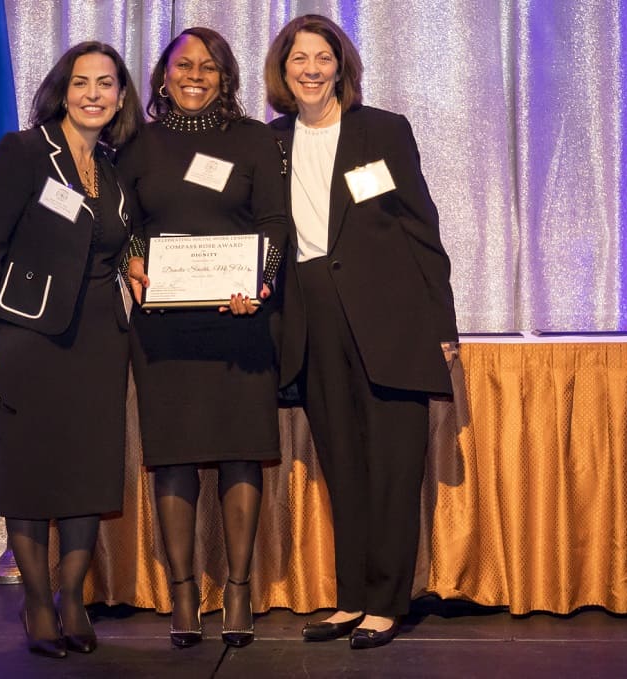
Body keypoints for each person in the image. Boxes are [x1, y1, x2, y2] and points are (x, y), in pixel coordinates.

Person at [264, 15, 459, 650]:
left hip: (389, 318)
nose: (311, 69)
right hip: (310, 314)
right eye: (299, 59)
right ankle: (350, 598)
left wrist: (442, 322)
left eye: (323, 57)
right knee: (342, 465)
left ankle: (386, 602)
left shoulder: (382, 130)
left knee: (394, 465)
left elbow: (420, 228)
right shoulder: (272, 142)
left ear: (342, 65)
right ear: (283, 69)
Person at [0, 42, 142, 659]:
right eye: (82, 82)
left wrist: (135, 259)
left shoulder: (115, 169)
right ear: (63, 89)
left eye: (107, 83)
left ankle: (72, 598)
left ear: (121, 96)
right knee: (32, 471)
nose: (94, 93)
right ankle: (37, 602)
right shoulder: (23, 153)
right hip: (28, 337)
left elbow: (115, 242)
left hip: (99, 340)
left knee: (89, 472)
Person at [118, 27, 286, 649]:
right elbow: (124, 221)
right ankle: (184, 594)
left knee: (242, 450)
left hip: (239, 320)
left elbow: (273, 220)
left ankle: (238, 588)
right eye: (184, 64)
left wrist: (260, 283)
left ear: (226, 77)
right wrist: (134, 260)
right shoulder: (136, 142)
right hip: (163, 325)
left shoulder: (252, 140)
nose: (195, 74)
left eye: (209, 67)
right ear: (163, 74)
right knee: (174, 458)